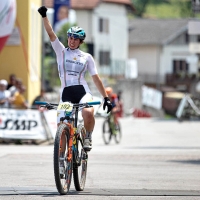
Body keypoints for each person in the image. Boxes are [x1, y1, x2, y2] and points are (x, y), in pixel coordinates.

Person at [38, 6, 112, 151]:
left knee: (88, 113)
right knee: (61, 129)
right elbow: (51, 33)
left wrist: (106, 97)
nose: (72, 41)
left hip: (82, 92)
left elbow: (96, 78)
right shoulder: (61, 51)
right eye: (70, 38)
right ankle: (61, 163)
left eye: (75, 39)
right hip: (66, 94)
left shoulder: (87, 57)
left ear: (80, 41)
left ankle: (88, 136)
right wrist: (44, 16)